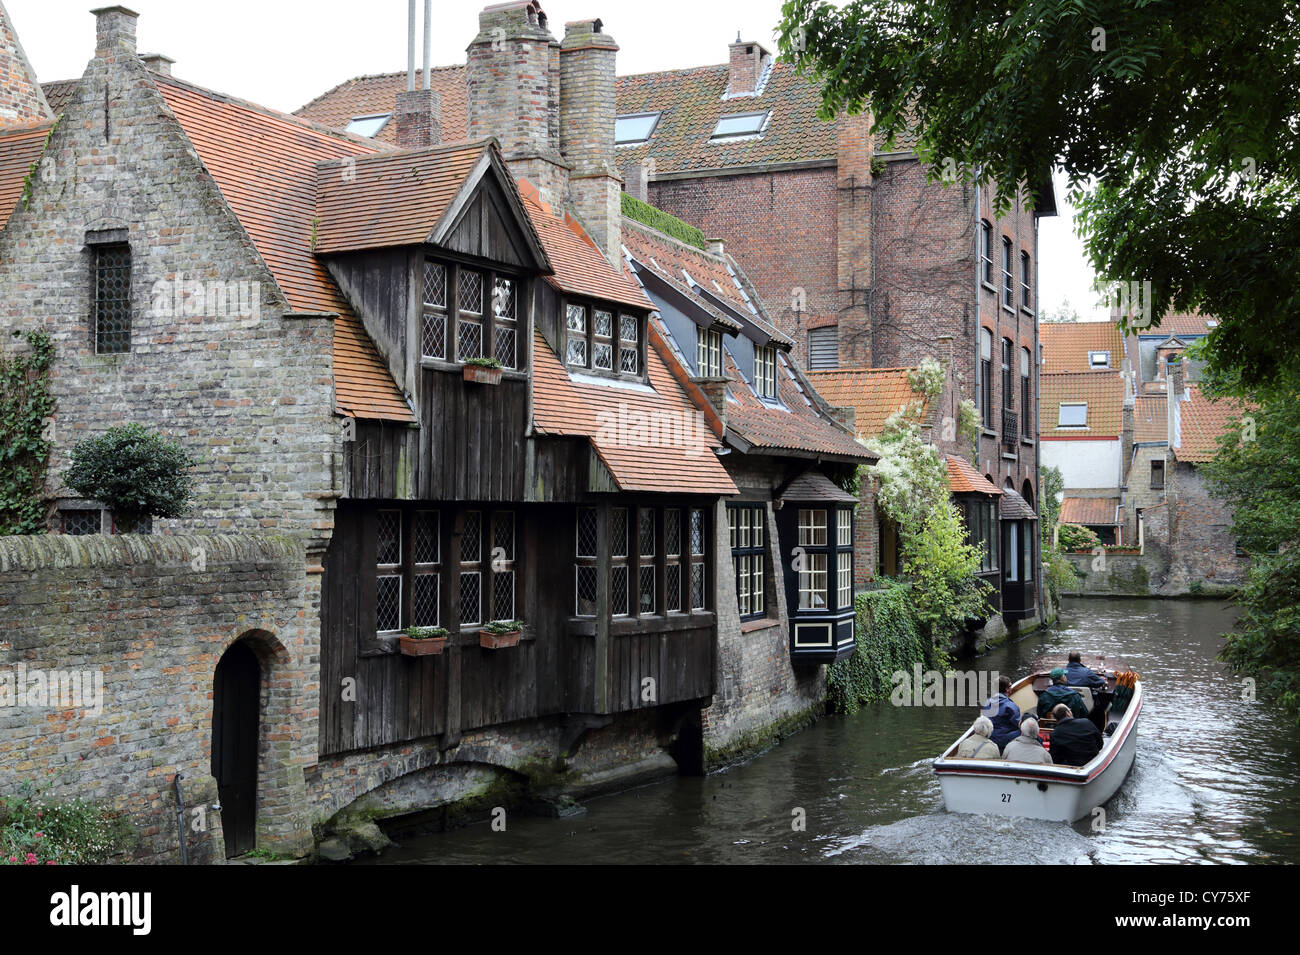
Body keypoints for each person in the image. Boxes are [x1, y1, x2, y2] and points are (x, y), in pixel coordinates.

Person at [982, 675, 1021, 750]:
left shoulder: (987, 702)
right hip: (1004, 739)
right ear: (1007, 689)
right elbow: (1018, 723)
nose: (1011, 688)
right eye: (1010, 686)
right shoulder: (1010, 706)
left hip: (990, 736)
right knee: (1024, 730)